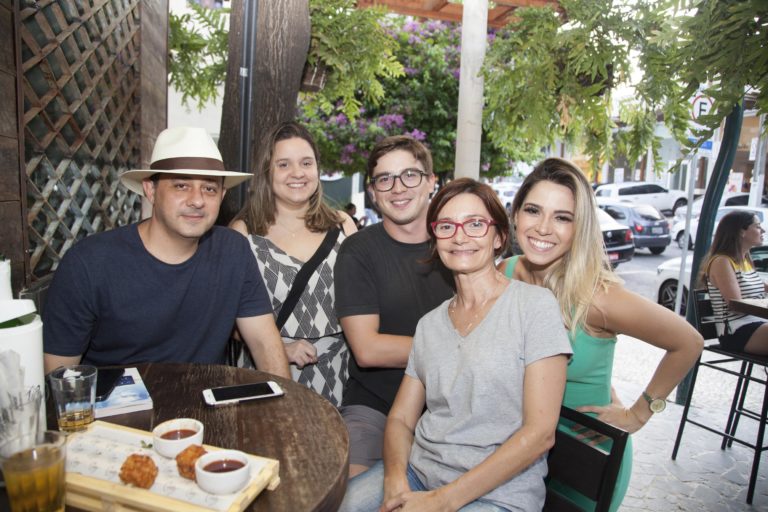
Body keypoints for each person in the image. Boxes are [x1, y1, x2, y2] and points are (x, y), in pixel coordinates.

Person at [340, 178, 572, 512]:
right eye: (447, 226)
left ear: (499, 237)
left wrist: (442, 501)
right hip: (419, 474)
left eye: (475, 224)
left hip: (499, 494)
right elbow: (401, 419)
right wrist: (394, 480)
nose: (460, 236)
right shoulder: (429, 325)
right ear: (435, 240)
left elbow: (539, 434)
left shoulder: (534, 307)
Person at [498, 158, 703, 511]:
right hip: (518, 448)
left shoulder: (596, 297)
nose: (543, 227)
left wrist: (639, 413)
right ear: (516, 214)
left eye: (563, 217)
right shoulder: (507, 272)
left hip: (583, 457)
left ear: (580, 227)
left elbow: (688, 342)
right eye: (533, 210)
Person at [43, 126, 290, 379]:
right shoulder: (88, 263)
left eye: (210, 189)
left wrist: (285, 411)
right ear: (150, 190)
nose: (197, 200)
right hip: (115, 415)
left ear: (222, 195)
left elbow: (264, 342)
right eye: (181, 186)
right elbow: (60, 375)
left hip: (205, 408)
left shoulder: (233, 250)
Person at [334, 135, 454, 477]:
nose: (398, 187)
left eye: (410, 175)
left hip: (451, 408)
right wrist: (461, 347)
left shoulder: (458, 244)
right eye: (385, 178)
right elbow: (368, 350)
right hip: (376, 408)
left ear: (431, 181)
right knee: (348, 496)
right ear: (373, 192)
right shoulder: (358, 251)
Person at [231, 122, 357, 406]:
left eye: (306, 163)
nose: (297, 173)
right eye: (284, 164)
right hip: (267, 372)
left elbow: (363, 302)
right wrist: (282, 350)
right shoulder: (243, 233)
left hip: (340, 376)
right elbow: (224, 317)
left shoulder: (343, 225)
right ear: (267, 171)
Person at [701, 210, 768, 355]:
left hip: (758, 325)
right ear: (741, 232)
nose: (762, 230)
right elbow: (737, 304)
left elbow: (761, 289)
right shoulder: (722, 261)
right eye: (757, 226)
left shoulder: (745, 260)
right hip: (737, 331)